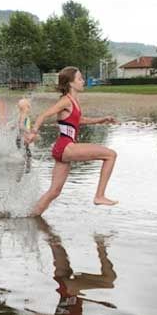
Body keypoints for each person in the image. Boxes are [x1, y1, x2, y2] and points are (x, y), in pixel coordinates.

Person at [25, 66, 118, 216]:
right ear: (71, 83)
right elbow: (43, 115)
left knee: (54, 192)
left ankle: (29, 216)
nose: (83, 81)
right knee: (110, 155)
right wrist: (33, 132)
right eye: (80, 79)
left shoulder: (74, 100)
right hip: (65, 146)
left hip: (62, 148)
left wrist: (102, 119)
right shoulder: (65, 100)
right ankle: (99, 196)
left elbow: (79, 120)